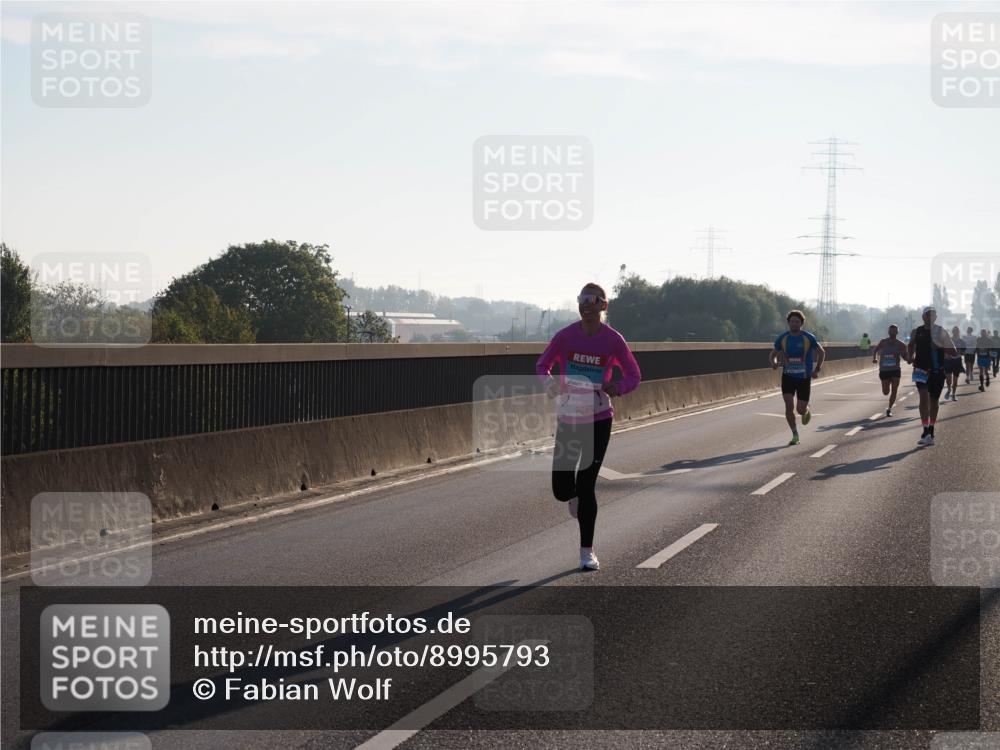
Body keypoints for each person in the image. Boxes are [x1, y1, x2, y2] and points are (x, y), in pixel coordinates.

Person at [537, 282, 641, 571]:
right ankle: (572, 497)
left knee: (587, 484)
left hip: (599, 418)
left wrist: (618, 386)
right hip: (569, 418)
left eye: (593, 299)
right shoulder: (566, 337)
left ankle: (587, 551)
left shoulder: (613, 340)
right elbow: (542, 365)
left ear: (603, 306)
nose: (586, 304)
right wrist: (549, 384)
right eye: (582, 299)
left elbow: (634, 374)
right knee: (562, 488)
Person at [770, 310, 825, 445]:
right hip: (788, 377)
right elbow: (773, 354)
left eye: (797, 322)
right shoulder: (782, 338)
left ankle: (806, 410)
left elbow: (821, 352)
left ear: (801, 323)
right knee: (789, 407)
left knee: (800, 409)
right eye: (792, 321)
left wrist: (817, 369)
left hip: (804, 378)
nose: (794, 324)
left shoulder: (808, 337)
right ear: (788, 322)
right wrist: (774, 363)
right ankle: (795, 435)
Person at [907, 307, 957, 446]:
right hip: (920, 370)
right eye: (927, 315)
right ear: (923, 317)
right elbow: (911, 345)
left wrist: (939, 346)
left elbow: (953, 351)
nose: (930, 317)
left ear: (936, 317)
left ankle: (931, 429)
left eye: (933, 315)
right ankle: (924, 430)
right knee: (924, 398)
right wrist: (910, 356)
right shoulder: (917, 331)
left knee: (934, 402)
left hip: (937, 371)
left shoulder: (941, 332)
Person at [872, 324, 909, 415]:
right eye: (891, 331)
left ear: (897, 332)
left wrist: (909, 360)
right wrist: (875, 358)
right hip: (884, 370)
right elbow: (875, 350)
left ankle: (889, 409)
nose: (892, 333)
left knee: (894, 390)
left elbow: (904, 356)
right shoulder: (883, 342)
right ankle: (885, 387)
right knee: (886, 392)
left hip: (895, 370)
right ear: (888, 332)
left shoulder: (901, 344)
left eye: (894, 331)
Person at [944, 325, 966, 402]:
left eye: (957, 331)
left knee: (955, 380)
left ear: (958, 332)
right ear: (952, 332)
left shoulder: (962, 341)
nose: (955, 332)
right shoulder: (949, 340)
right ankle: (949, 389)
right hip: (948, 361)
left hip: (957, 361)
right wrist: (946, 355)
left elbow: (964, 352)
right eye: (954, 331)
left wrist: (959, 353)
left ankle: (953, 394)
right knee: (948, 378)